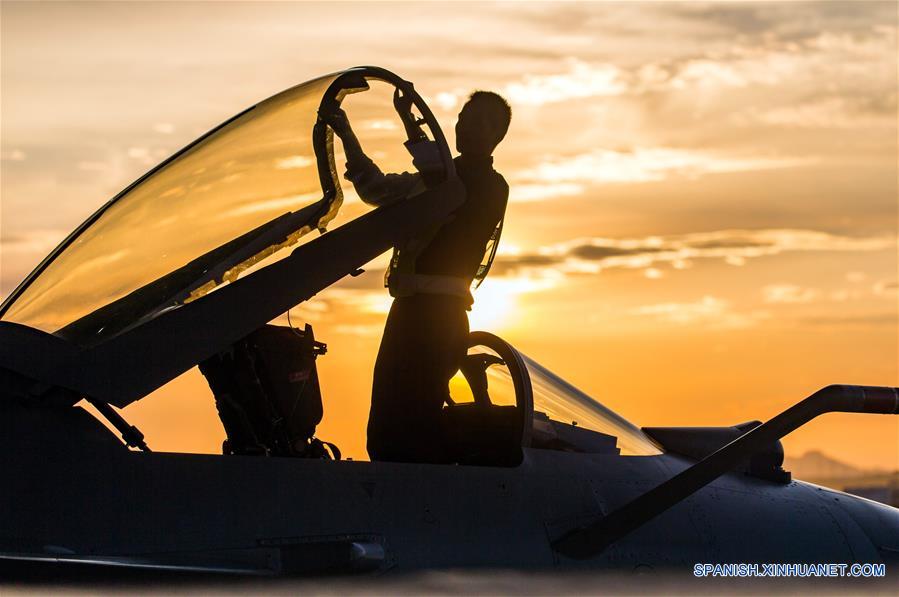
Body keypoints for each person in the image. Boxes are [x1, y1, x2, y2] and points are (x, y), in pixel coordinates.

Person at [324, 89, 511, 463]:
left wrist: (410, 121)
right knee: (384, 430)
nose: (467, 126)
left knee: (409, 433)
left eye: (481, 121)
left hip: (439, 320)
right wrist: (345, 133)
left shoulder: (488, 188)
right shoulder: (432, 181)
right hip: (408, 314)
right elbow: (374, 186)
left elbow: (444, 182)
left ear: (497, 136)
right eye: (464, 117)